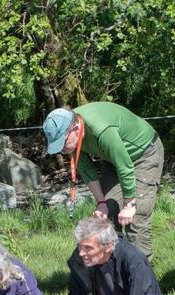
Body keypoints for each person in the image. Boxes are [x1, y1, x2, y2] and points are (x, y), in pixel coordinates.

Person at [42, 102, 164, 259]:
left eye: (62, 143)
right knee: (107, 217)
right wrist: (101, 203)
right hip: (112, 159)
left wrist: (129, 204)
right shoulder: (70, 139)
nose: (62, 149)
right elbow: (87, 170)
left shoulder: (101, 129)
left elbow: (125, 167)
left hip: (144, 154)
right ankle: (114, 272)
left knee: (135, 218)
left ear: (75, 129)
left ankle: (141, 276)